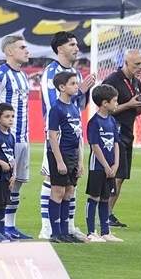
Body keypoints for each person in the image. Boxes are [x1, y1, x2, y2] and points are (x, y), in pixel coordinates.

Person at [38, 31, 89, 240]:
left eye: (76, 44)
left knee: (71, 184)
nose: (77, 48)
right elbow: (54, 105)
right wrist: (80, 92)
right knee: (53, 181)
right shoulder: (51, 72)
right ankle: (47, 228)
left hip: (73, 135)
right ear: (60, 49)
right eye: (72, 45)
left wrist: (83, 92)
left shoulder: (75, 73)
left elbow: (80, 107)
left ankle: (68, 226)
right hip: (57, 137)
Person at [0, 35, 32, 239]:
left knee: (16, 182)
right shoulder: (0, 75)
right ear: (9, 51)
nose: (27, 51)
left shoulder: (23, 76)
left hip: (21, 137)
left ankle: (10, 226)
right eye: (22, 47)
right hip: (2, 139)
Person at [99, 51, 141, 229]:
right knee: (115, 175)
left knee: (121, 176)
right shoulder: (112, 81)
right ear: (126, 63)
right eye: (137, 64)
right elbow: (104, 109)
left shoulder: (136, 82)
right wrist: (129, 104)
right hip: (113, 134)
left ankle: (108, 214)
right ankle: (104, 214)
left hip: (127, 132)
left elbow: (133, 111)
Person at [44, 70, 84, 242]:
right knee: (58, 191)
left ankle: (65, 232)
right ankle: (55, 233)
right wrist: (59, 161)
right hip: (60, 154)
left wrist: (80, 161)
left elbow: (79, 136)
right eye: (72, 83)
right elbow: (52, 136)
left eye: (76, 83)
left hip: (73, 155)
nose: (76, 87)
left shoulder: (74, 108)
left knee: (69, 192)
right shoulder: (56, 109)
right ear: (62, 87)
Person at [84, 84, 123, 243]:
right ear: (105, 103)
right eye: (115, 101)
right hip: (98, 167)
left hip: (111, 167)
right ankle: (91, 232)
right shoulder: (94, 122)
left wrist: (116, 164)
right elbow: (95, 146)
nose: (117, 104)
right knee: (94, 197)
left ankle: (105, 231)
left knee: (106, 198)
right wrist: (106, 166)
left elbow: (116, 143)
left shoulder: (112, 121)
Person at [0, 102, 21, 239]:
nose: (11, 119)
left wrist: (14, 174)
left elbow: (13, 156)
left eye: (12, 116)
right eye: (7, 116)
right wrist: (0, 162)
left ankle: (2, 231)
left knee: (3, 203)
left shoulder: (11, 136)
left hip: (8, 176)